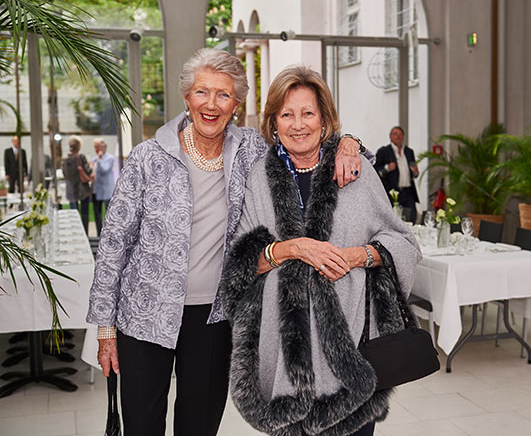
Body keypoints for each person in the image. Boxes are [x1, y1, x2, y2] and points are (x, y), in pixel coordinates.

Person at [86, 49, 365, 436]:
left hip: (215, 318)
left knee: (199, 426)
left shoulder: (251, 151)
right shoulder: (149, 157)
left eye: (223, 95)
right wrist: (105, 330)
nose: (211, 104)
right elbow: (113, 245)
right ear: (187, 98)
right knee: (142, 425)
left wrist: (348, 141)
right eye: (202, 92)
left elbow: (304, 137)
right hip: (143, 317)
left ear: (236, 104)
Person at [218, 66, 420, 436]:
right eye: (287, 114)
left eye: (308, 113)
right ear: (273, 122)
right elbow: (240, 264)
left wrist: (362, 255)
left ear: (324, 120)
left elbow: (404, 244)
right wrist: (289, 248)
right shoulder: (260, 178)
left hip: (352, 353)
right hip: (285, 358)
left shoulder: (356, 171)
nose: (298, 124)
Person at [374, 126, 420, 222]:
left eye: (400, 134)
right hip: (392, 192)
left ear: (403, 136)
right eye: (395, 134)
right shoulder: (384, 151)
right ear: (390, 137)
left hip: (408, 192)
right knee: (393, 221)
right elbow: (375, 171)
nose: (398, 137)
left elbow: (414, 173)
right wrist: (387, 168)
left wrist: (415, 172)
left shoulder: (409, 152)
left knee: (411, 220)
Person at [62, 136, 92, 235]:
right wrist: (91, 166)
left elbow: (65, 174)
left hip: (71, 190)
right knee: (84, 214)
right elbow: (88, 171)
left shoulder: (65, 159)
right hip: (82, 189)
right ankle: (85, 235)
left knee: (74, 216)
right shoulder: (81, 157)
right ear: (78, 146)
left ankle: (76, 235)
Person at [90, 138, 115, 237]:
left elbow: (105, 170)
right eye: (95, 147)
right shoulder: (94, 159)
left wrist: (99, 160)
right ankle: (99, 234)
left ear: (103, 147)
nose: (96, 149)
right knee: (97, 214)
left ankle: (109, 234)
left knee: (108, 214)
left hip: (106, 191)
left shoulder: (110, 158)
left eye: (97, 147)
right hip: (96, 189)